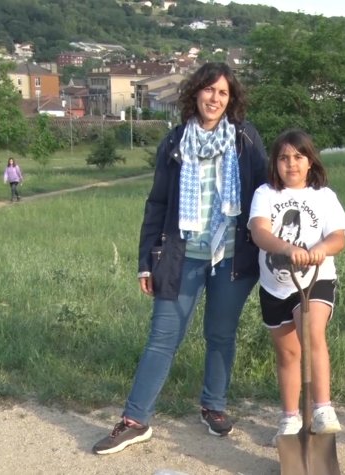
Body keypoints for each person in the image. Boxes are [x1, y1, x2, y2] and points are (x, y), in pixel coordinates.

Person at [92, 62, 268, 455]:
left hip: (232, 257)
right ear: (195, 93)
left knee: (221, 335)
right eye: (208, 90)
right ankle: (135, 420)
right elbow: (156, 204)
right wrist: (144, 260)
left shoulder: (245, 139)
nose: (214, 98)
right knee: (162, 338)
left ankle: (214, 406)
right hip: (180, 256)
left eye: (223, 93)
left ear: (231, 99)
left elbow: (263, 194)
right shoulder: (175, 143)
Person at [248, 129, 345, 445]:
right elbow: (259, 232)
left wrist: (322, 249)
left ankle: (322, 409)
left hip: (315, 280)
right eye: (283, 157)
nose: (291, 164)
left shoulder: (323, 196)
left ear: (310, 162)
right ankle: (290, 417)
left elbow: (338, 236)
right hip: (276, 285)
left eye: (298, 157)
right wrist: (286, 248)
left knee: (311, 333)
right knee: (288, 353)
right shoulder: (266, 194)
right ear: (275, 163)